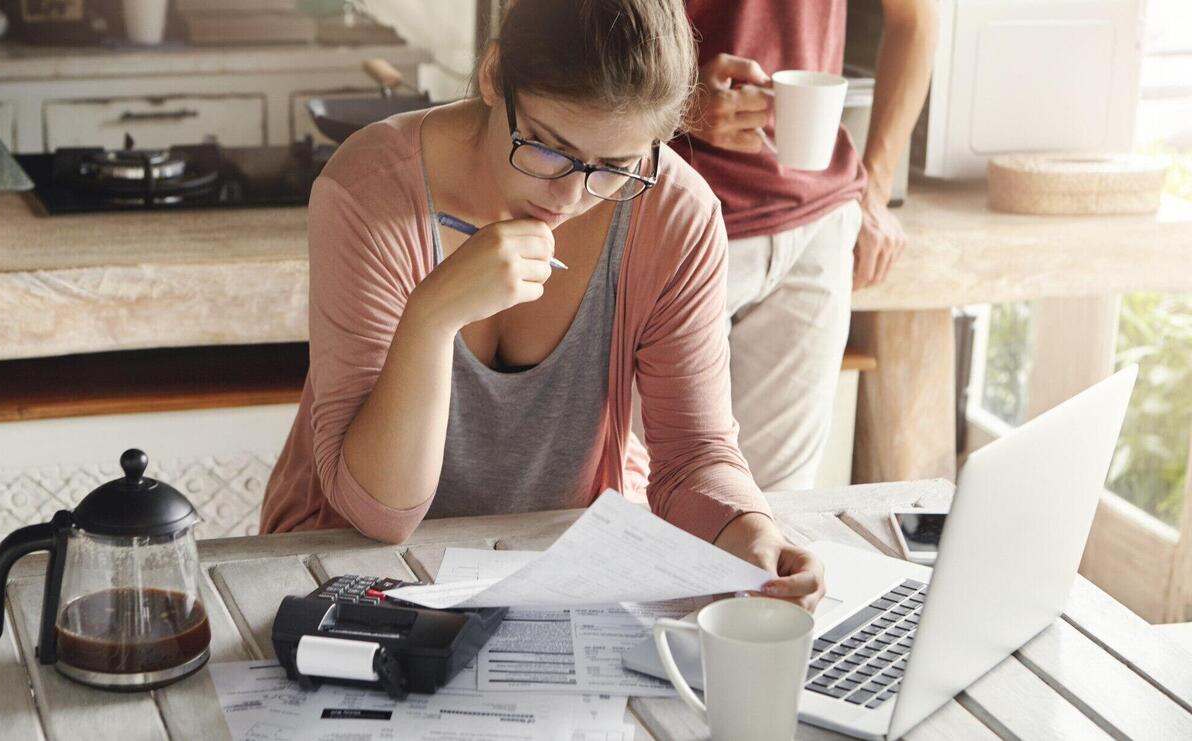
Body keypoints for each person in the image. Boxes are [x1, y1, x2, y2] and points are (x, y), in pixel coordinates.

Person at [260, 0, 825, 610]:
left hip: (565, 572)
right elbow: (378, 511)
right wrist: (432, 317)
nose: (571, 196)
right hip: (345, 568)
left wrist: (752, 533)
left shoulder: (673, 215)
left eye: (615, 167)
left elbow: (693, 455)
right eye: (550, 149)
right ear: (493, 75)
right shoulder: (370, 189)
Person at [674, 0, 938, 491]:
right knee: (638, 499)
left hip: (814, 229)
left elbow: (915, 19)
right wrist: (674, 101)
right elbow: (564, 32)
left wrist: (875, 192)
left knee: (779, 518)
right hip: (671, 221)